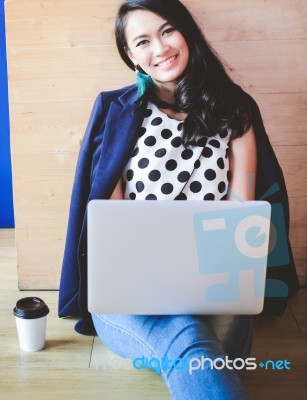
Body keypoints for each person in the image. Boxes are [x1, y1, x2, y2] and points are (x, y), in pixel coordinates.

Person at [58, 1, 300, 399]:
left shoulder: (236, 111)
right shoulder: (116, 112)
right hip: (132, 293)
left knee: (201, 346)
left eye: (168, 30)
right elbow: (110, 224)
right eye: (143, 41)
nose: (160, 48)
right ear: (131, 57)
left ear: (187, 32)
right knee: (191, 341)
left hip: (217, 286)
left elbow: (244, 213)